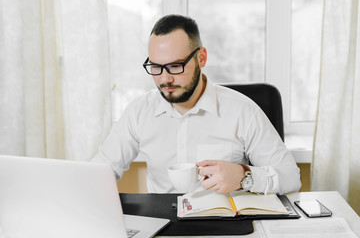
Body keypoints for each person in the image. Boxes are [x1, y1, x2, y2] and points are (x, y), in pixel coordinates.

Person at [92, 14, 301, 195]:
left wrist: (244, 176)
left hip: (225, 224)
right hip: (163, 223)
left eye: (175, 66)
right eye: (156, 67)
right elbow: (101, 170)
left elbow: (291, 176)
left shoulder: (242, 111)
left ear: (201, 58)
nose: (165, 79)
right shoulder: (139, 111)